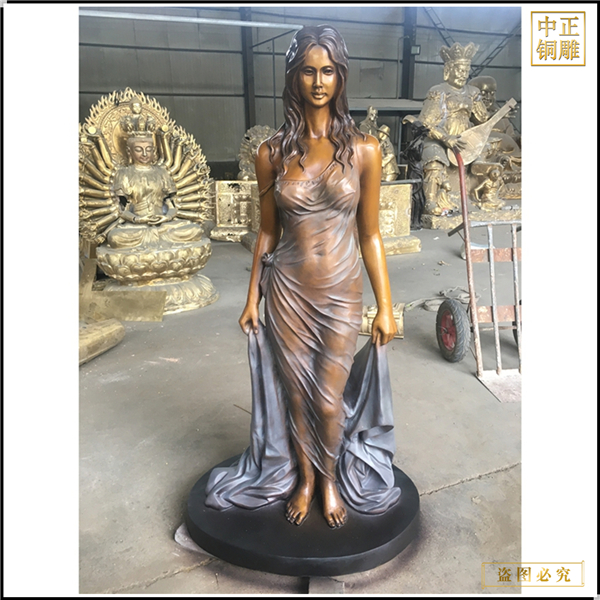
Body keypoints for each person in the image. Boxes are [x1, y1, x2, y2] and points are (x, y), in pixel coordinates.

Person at [205, 25, 400, 529]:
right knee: (295, 394)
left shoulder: (365, 150)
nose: (318, 82)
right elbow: (267, 233)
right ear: (293, 76)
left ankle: (329, 479)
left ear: (341, 76)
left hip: (341, 291)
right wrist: (252, 298)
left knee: (329, 402)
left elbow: (370, 235)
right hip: (287, 291)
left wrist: (386, 306)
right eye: (309, 71)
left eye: (328, 71)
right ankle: (307, 480)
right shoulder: (271, 153)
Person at [418, 42, 488, 215]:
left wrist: (486, 107)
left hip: (466, 139)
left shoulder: (473, 92)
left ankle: (484, 195)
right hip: (440, 139)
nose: (463, 74)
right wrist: (445, 138)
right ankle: (431, 202)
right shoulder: (438, 92)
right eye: (459, 70)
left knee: (487, 151)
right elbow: (425, 123)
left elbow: (482, 120)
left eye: (466, 70)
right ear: (449, 69)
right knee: (434, 159)